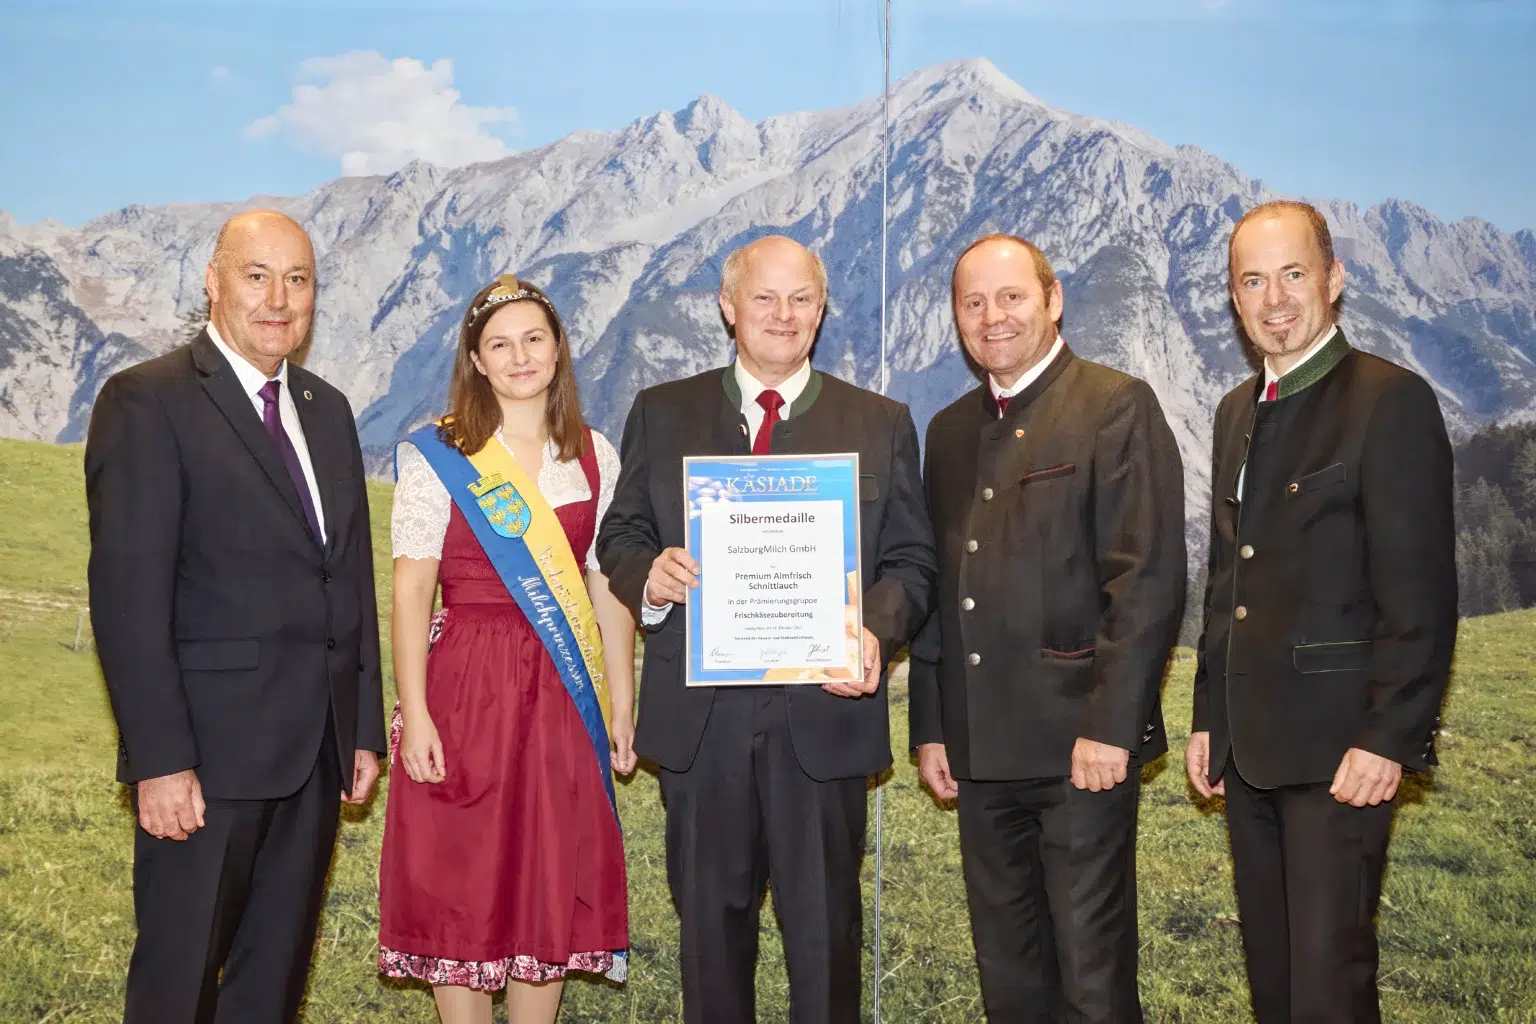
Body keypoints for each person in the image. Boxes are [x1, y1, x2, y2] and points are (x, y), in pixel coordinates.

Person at [596, 235, 936, 1024]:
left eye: (801, 299)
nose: (783, 316)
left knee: (825, 940)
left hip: (823, 721)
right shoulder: (663, 410)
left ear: (822, 309)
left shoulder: (879, 420)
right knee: (709, 940)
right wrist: (650, 576)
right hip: (701, 728)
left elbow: (914, 561)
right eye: (764, 298)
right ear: (728, 307)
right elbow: (621, 536)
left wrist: (875, 633)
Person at [84, 209, 386, 1024]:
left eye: (299, 279)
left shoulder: (329, 410)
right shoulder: (148, 401)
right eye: (257, 276)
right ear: (213, 281)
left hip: (314, 757)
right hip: (205, 764)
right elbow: (127, 597)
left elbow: (347, 577)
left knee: (272, 986)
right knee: (178, 985)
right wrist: (160, 760)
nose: (278, 298)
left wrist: (359, 727)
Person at [1187, 200, 1457, 1023]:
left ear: (1335, 280)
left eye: (1293, 274)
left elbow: (1421, 596)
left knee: (1328, 987)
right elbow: (1226, 582)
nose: (1274, 299)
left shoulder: (1389, 400)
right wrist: (1208, 717)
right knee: (1273, 984)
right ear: (1234, 300)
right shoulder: (1237, 411)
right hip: (1247, 751)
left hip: (1342, 754)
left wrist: (1389, 738)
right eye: (1253, 281)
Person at [909, 234, 1186, 1023]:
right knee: (1008, 977)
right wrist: (933, 726)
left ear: (1053, 299)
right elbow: (937, 586)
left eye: (1011, 297)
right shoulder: (952, 430)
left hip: (1080, 752)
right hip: (979, 751)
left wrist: (1113, 726)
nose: (992, 317)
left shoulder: (1114, 404)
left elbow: (1146, 581)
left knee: (1091, 980)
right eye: (973, 302)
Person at [377, 275, 635, 1024]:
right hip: (466, 686)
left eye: (533, 338)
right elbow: (410, 588)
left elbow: (605, 587)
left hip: (562, 689)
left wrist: (621, 700)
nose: (519, 356)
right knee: (459, 871)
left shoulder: (594, 455)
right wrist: (416, 711)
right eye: (500, 344)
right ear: (477, 360)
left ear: (557, 349)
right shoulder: (439, 453)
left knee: (544, 869)